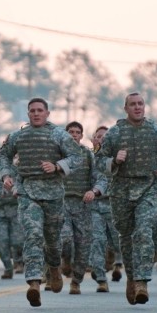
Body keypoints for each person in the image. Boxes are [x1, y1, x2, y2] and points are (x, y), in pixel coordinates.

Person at [0, 97, 83, 307]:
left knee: (53, 241)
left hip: (53, 194)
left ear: (47, 113)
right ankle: (34, 282)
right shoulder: (18, 136)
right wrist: (6, 175)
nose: (36, 114)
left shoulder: (58, 135)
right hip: (28, 192)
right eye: (32, 111)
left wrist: (57, 166)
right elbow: (3, 155)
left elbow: (77, 156)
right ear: (28, 114)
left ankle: (54, 267)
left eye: (39, 110)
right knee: (33, 234)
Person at [95, 92, 157, 305]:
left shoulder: (156, 131)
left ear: (145, 106)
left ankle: (142, 281)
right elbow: (99, 160)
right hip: (121, 190)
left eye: (140, 104)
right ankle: (131, 276)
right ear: (126, 108)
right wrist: (114, 160)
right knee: (125, 235)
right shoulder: (114, 133)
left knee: (143, 231)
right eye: (133, 104)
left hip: (148, 188)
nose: (138, 107)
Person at [58, 121, 106, 294]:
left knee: (83, 247)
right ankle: (63, 260)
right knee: (65, 238)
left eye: (77, 132)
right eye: (70, 132)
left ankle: (76, 280)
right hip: (61, 204)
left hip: (82, 206)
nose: (74, 135)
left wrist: (94, 191)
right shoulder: (57, 154)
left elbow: (100, 177)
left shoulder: (88, 156)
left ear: (81, 135)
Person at [89, 126, 123, 285]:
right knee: (97, 240)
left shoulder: (118, 158)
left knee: (117, 241)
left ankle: (118, 262)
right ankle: (101, 277)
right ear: (92, 139)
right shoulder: (88, 158)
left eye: (104, 136)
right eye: (97, 136)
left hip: (114, 205)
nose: (100, 139)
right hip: (94, 206)